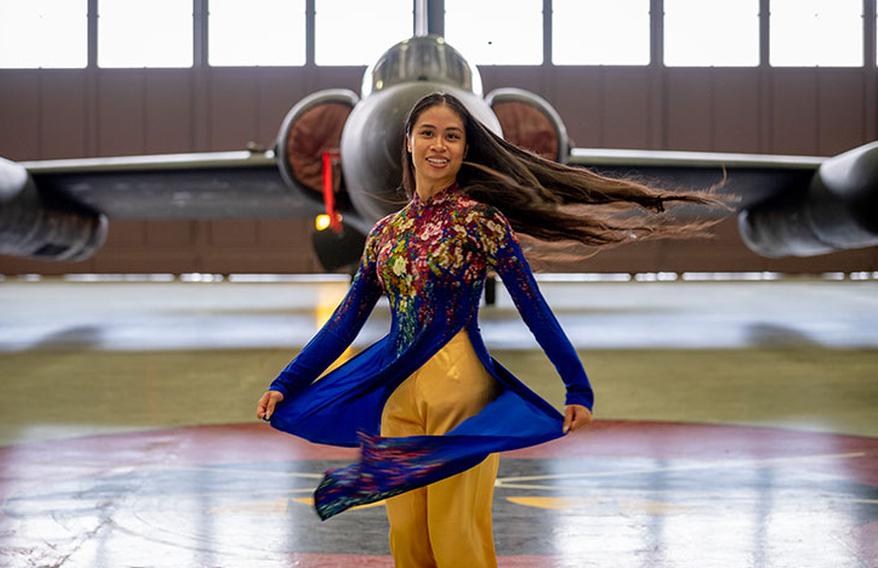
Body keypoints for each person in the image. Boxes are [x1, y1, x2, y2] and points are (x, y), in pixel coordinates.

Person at [256, 92, 728, 567]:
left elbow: (532, 306)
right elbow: (344, 321)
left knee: (455, 534)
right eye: (428, 133)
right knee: (408, 538)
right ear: (409, 143)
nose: (439, 145)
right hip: (397, 399)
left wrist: (577, 387)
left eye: (452, 136)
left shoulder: (481, 224)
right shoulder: (384, 234)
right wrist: (287, 382)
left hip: (463, 399)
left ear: (465, 150)